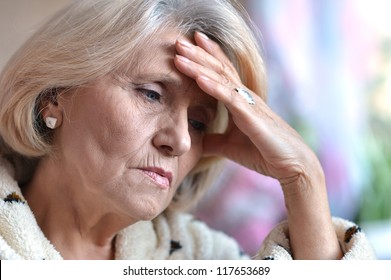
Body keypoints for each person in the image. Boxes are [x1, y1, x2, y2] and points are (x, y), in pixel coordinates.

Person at [0, 0, 375, 260]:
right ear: (53, 95)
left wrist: (303, 176)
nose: (180, 141)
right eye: (150, 94)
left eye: (198, 122)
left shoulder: (196, 255)